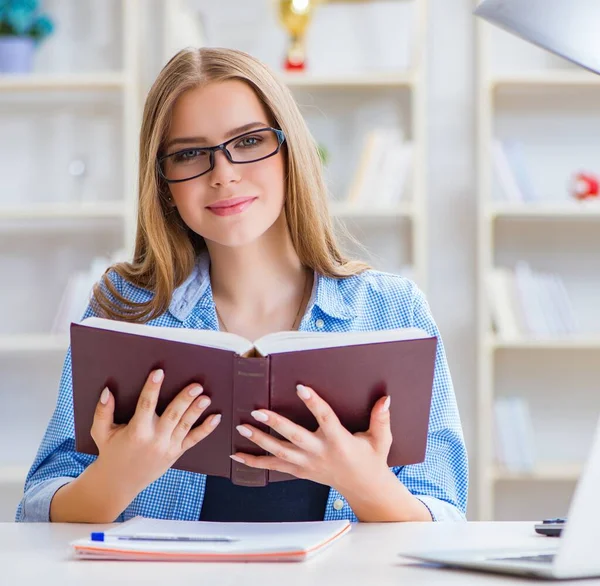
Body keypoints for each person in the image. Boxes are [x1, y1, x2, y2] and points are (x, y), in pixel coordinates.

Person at [16, 47, 467, 524]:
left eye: (249, 142)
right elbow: (36, 510)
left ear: (290, 152)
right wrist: (119, 476)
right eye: (190, 154)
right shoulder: (126, 313)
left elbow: (445, 516)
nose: (223, 174)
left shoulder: (393, 312)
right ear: (164, 184)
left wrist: (362, 481)